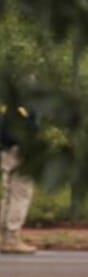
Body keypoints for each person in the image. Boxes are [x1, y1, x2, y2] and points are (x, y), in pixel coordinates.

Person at [0, 103, 37, 255]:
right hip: (16, 148)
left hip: (4, 147)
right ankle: (11, 238)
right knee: (21, 192)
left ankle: (6, 236)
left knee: (6, 192)